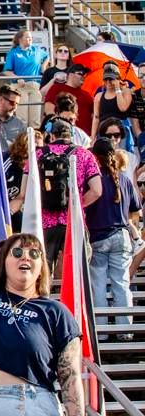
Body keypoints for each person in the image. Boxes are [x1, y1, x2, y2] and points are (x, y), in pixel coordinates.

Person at [0, 158, 84, 416]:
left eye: (34, 254)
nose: (25, 257)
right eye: (17, 251)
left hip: (31, 404)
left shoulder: (55, 312)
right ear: (3, 262)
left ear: (42, 266)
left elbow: (71, 376)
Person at [85, 137, 140, 336]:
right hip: (122, 235)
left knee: (98, 284)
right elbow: (136, 210)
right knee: (121, 284)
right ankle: (125, 332)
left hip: (98, 236)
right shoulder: (124, 179)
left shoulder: (92, 181)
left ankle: (101, 332)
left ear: (95, 157)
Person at [37, 120, 101, 271]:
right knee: (77, 271)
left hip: (45, 223)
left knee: (43, 272)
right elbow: (97, 190)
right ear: (71, 135)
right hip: (73, 221)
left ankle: (45, 295)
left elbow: (26, 189)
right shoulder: (85, 154)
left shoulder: (38, 154)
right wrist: (77, 204)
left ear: (52, 135)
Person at [42, 65, 94, 129]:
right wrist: (57, 126)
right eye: (81, 73)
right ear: (70, 75)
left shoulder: (87, 95)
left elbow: (94, 115)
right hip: (62, 132)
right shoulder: (56, 88)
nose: (83, 76)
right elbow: (49, 110)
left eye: (85, 74)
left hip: (84, 136)